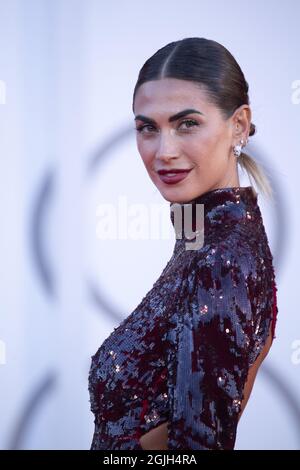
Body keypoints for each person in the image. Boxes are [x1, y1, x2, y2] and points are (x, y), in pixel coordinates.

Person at [88, 37, 278, 450]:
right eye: (147, 128)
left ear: (239, 126)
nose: (164, 151)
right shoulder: (201, 230)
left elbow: (195, 449)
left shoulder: (221, 257)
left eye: (187, 123)